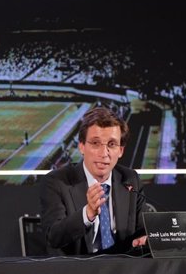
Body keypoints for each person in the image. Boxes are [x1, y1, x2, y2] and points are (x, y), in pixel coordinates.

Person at [39, 106, 147, 255]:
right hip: (77, 272)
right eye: (96, 143)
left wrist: (145, 238)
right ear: (82, 146)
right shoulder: (57, 182)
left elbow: (143, 229)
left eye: (111, 144)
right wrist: (87, 214)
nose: (104, 154)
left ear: (120, 151)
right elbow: (54, 237)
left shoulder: (130, 179)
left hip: (121, 272)